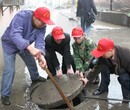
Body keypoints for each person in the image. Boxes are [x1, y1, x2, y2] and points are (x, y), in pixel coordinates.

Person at [1, 7, 54, 106]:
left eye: (45, 22)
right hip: (10, 45)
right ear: (35, 17)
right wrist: (30, 48)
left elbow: (40, 40)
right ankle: (4, 95)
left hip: (25, 46)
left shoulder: (42, 25)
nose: (44, 24)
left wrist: (40, 54)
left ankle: (35, 77)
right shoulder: (21, 17)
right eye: (42, 22)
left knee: (31, 62)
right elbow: (15, 35)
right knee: (10, 70)